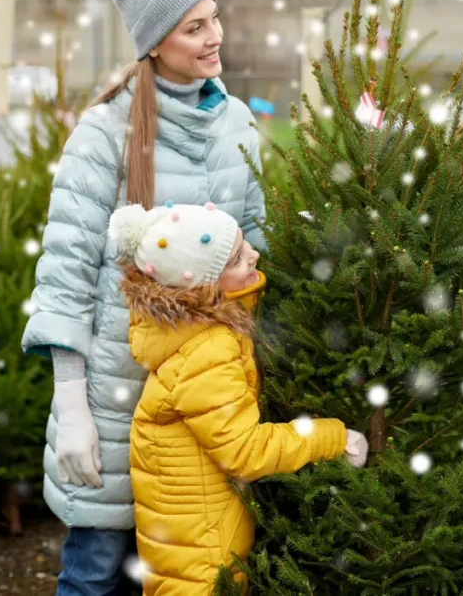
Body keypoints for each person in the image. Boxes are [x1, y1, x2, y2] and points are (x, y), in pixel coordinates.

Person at [21, 0, 271, 595]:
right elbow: (66, 274)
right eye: (194, 27)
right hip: (115, 391)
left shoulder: (237, 124)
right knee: (97, 569)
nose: (214, 37)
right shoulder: (104, 134)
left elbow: (257, 247)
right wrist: (71, 403)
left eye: (214, 19)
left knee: (173, 571)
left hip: (204, 396)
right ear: (154, 43)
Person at [106, 201, 368, 594]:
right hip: (204, 560)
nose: (254, 255)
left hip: (192, 542)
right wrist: (332, 437)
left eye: (244, 244)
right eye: (236, 259)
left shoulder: (187, 332)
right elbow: (244, 452)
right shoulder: (207, 349)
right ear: (204, 287)